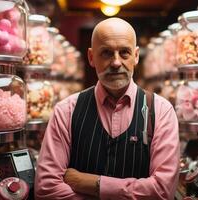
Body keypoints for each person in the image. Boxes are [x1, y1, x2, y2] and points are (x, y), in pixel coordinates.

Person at [35, 17, 180, 200]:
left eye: (124, 52)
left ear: (135, 56)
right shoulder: (66, 111)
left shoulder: (160, 111)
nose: (116, 62)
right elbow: (46, 189)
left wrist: (90, 184)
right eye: (106, 53)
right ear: (91, 57)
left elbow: (163, 191)